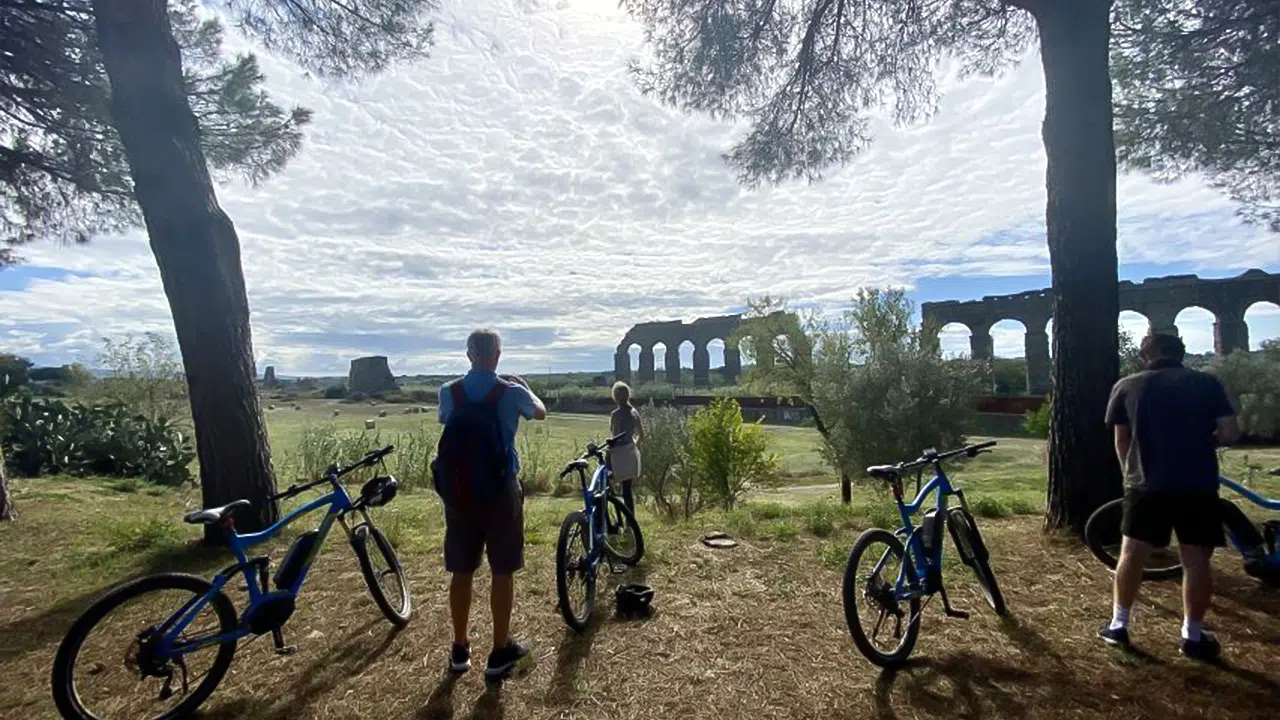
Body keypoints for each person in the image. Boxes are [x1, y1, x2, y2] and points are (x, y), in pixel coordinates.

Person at [1099, 332, 1240, 660]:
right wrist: (1202, 444)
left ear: (1145, 355)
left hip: (1145, 483)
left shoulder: (1127, 386)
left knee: (1131, 554)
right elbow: (1231, 431)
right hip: (1197, 483)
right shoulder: (1206, 382)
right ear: (1181, 353)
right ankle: (1192, 635)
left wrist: (1128, 475)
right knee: (1196, 561)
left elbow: (1121, 440)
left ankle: (1118, 624)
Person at [436, 329, 547, 679]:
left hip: (459, 491)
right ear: (497, 355)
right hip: (501, 489)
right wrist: (526, 388)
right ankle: (499, 652)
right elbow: (540, 413)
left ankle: (459, 647)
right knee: (502, 570)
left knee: (461, 570)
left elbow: (445, 420)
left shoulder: (448, 391)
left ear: (469, 354)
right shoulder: (510, 392)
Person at [607, 381, 644, 513]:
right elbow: (642, 435)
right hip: (631, 452)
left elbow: (614, 435)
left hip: (618, 453)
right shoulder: (634, 412)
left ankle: (610, 518)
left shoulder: (615, 415)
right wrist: (634, 444)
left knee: (607, 484)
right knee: (627, 489)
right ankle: (630, 520)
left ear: (615, 396)